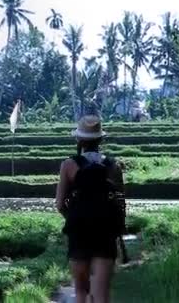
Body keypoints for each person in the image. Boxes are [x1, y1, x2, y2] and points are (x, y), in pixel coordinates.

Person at [55, 115, 125, 303]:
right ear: (101, 139)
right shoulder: (113, 166)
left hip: (79, 231)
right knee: (101, 293)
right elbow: (120, 202)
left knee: (81, 292)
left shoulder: (68, 165)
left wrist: (73, 217)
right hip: (105, 231)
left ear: (78, 139)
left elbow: (60, 204)